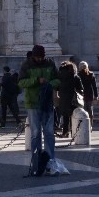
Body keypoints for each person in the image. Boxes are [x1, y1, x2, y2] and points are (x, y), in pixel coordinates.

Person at [19, 47, 59, 176]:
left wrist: (50, 83)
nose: (40, 59)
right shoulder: (26, 65)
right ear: (33, 56)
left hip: (47, 102)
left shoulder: (50, 63)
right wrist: (36, 81)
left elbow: (58, 80)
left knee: (49, 133)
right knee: (36, 133)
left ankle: (50, 161)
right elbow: (20, 82)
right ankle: (36, 162)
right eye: (38, 57)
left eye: (42, 57)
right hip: (33, 103)